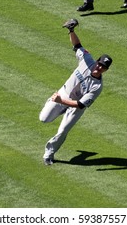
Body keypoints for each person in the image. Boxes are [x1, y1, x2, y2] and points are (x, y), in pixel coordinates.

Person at [39, 19, 113, 165]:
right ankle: (54, 105)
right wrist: (71, 31)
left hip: (75, 106)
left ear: (106, 70)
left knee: (63, 131)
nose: (99, 68)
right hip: (64, 93)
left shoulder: (97, 87)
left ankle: (49, 154)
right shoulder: (87, 60)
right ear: (96, 61)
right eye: (99, 64)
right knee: (44, 119)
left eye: (103, 67)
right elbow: (77, 46)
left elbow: (79, 105)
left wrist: (60, 101)